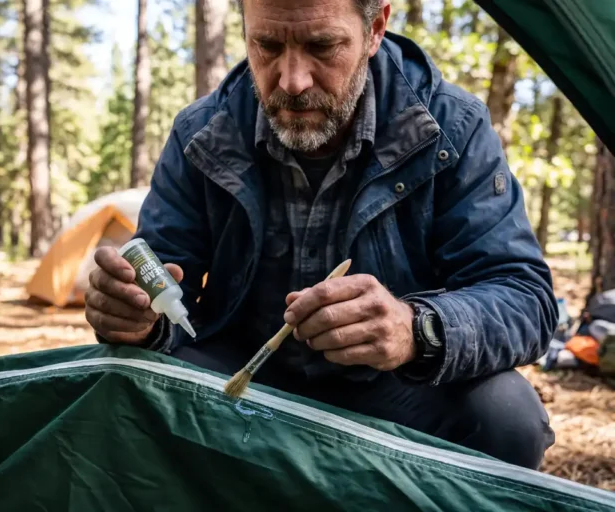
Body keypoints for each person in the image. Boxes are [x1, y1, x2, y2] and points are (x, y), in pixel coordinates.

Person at [85, 0, 558, 470]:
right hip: (241, 380)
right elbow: (164, 282)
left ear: (375, 28)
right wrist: (139, 317)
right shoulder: (203, 132)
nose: (292, 81)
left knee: (507, 419)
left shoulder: (451, 127)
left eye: (322, 45)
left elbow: (524, 297)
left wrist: (414, 327)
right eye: (266, 45)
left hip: (395, 390)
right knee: (121, 385)